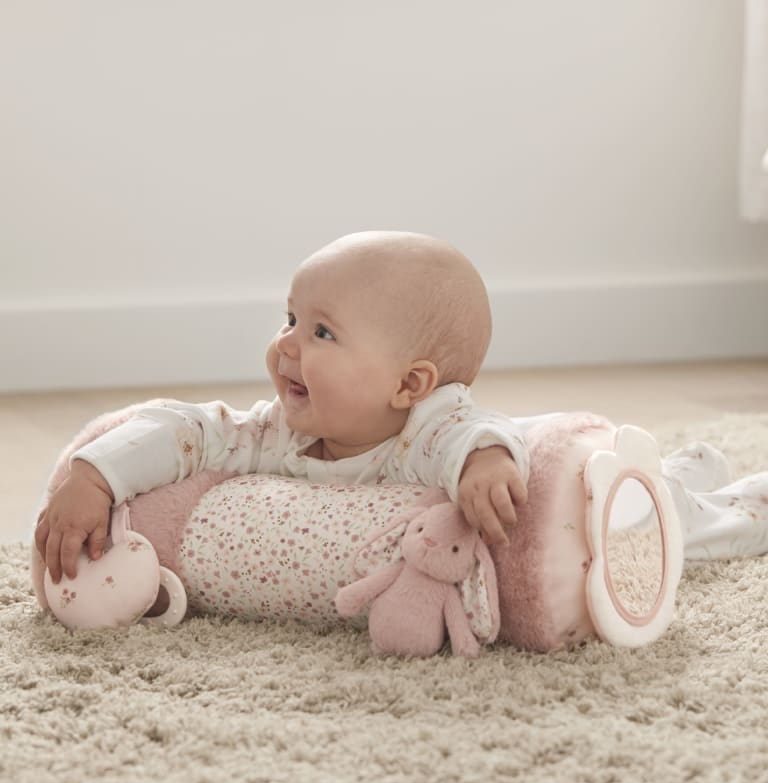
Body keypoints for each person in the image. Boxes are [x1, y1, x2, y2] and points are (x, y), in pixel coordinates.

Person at [35, 230, 768, 586]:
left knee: (644, 528)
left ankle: (726, 501)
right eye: (289, 317)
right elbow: (184, 428)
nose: (287, 345)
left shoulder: (432, 428)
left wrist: (485, 464)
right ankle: (682, 466)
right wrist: (97, 475)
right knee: (653, 487)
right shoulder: (276, 431)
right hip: (520, 452)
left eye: (321, 332)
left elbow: (474, 435)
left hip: (553, 483)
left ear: (409, 387)